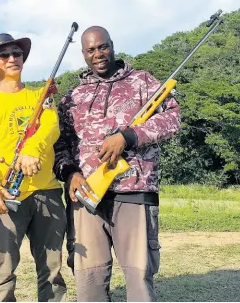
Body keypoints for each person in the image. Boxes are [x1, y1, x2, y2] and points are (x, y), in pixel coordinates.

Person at [53, 26, 181, 302]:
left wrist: (128, 137)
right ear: (83, 53)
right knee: (90, 283)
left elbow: (173, 119)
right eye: (91, 50)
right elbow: (59, 144)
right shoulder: (71, 96)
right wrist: (70, 174)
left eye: (103, 47)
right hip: (87, 197)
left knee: (138, 279)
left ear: (112, 45)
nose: (98, 54)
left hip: (134, 192)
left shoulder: (143, 82)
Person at [0, 33, 67, 302]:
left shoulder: (40, 96)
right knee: (2, 274)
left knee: (52, 272)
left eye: (17, 53)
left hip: (46, 192)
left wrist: (31, 149)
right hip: (5, 196)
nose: (13, 59)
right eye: (4, 55)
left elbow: (51, 126)